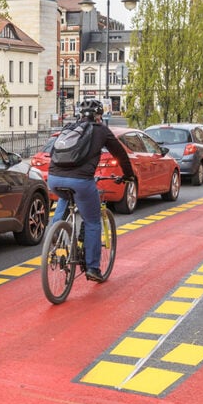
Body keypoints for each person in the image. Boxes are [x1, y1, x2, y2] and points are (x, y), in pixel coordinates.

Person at [48, 99, 136, 282]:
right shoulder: (101, 130)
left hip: (54, 179)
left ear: (80, 115)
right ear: (99, 116)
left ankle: (55, 233)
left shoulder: (69, 128)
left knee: (65, 195)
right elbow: (120, 154)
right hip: (81, 181)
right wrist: (129, 175)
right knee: (93, 221)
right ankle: (93, 268)